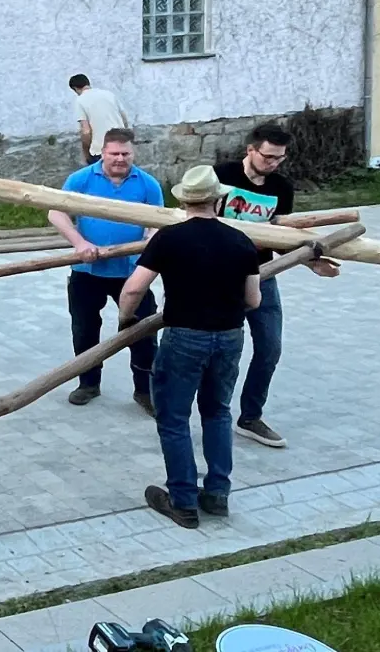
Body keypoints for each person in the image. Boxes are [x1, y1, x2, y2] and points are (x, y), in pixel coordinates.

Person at [117, 166, 262, 529]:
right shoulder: (241, 241)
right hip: (230, 336)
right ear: (219, 199)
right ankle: (217, 494)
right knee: (217, 413)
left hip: (184, 336)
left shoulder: (169, 239)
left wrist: (125, 320)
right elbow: (254, 300)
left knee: (174, 418)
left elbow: (134, 288)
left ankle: (182, 502)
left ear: (182, 201)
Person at [213, 123, 340, 449]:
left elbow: (282, 238)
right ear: (251, 150)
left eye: (278, 159)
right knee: (222, 351)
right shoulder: (221, 175)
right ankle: (215, 415)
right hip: (218, 277)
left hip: (262, 274)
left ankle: (250, 417)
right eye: (267, 157)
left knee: (270, 347)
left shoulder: (281, 187)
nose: (272, 164)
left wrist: (312, 262)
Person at [49, 128, 161, 413]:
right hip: (88, 270)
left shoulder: (147, 184)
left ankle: (145, 390)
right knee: (85, 330)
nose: (120, 159)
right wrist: (79, 242)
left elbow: (158, 220)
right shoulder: (82, 179)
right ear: (103, 152)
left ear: (133, 153)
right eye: (114, 154)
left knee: (143, 332)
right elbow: (55, 211)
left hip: (133, 272)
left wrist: (150, 241)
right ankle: (88, 383)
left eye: (126, 154)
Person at [69, 74, 130, 165]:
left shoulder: (80, 100)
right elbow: (124, 120)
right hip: (121, 146)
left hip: (100, 150)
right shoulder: (109, 94)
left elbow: (86, 131)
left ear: (75, 89)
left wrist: (87, 152)